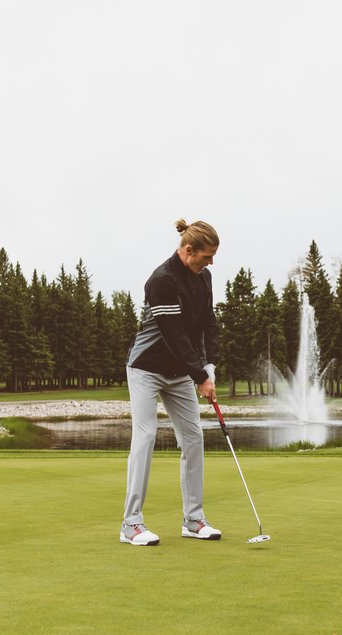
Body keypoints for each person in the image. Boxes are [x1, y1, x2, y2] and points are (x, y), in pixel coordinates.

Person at [120, 219, 222, 546]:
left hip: (179, 372)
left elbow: (209, 323)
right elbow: (174, 335)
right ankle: (131, 524)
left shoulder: (203, 277)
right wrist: (200, 376)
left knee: (193, 438)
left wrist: (210, 366)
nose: (210, 263)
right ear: (188, 250)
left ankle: (193, 520)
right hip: (146, 369)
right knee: (146, 436)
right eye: (206, 256)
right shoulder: (160, 280)